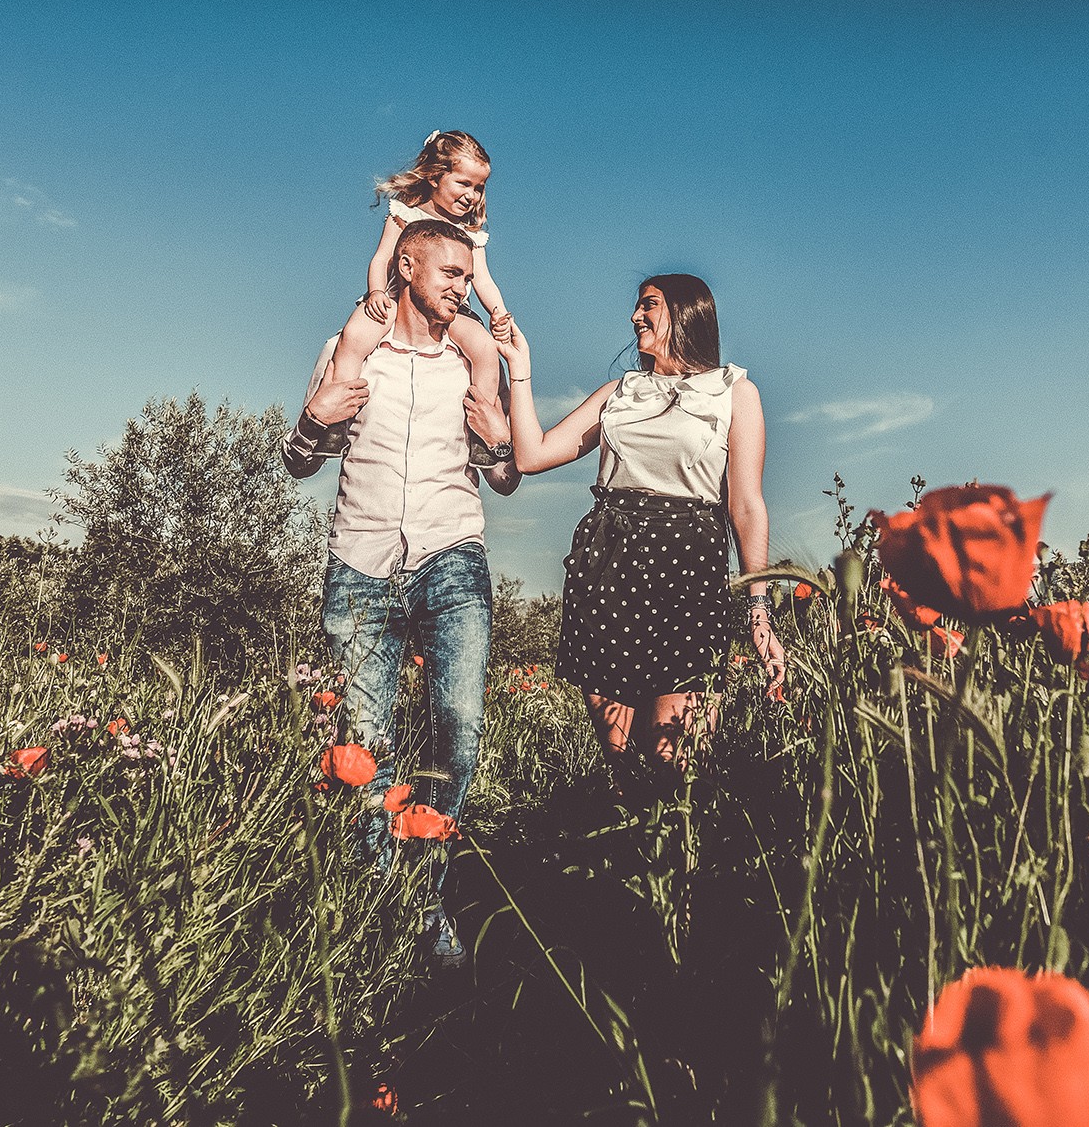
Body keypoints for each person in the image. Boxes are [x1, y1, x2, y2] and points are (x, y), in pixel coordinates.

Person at [280, 217, 519, 966]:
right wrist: (314, 420)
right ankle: (383, 908)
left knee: (460, 726)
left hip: (453, 554)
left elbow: (505, 477)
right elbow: (297, 462)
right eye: (451, 272)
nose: (463, 287)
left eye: (467, 275)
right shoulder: (349, 350)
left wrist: (501, 437)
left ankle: (426, 888)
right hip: (361, 560)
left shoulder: (471, 363)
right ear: (407, 266)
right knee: (363, 746)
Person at [496, 275, 785, 800]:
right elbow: (532, 455)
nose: (635, 317)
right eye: (636, 306)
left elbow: (746, 506)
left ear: (686, 311)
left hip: (688, 568)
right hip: (607, 564)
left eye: (648, 305)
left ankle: (685, 871)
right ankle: (619, 865)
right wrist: (520, 370)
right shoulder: (618, 392)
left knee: (675, 757)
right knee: (621, 760)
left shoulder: (734, 393)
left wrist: (758, 608)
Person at [309, 131, 510, 467]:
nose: (472, 195)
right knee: (353, 336)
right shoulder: (404, 212)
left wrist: (499, 314)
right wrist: (375, 292)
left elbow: (484, 280)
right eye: (463, 183)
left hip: (454, 310)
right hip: (393, 299)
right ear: (434, 176)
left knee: (485, 350)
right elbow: (383, 258)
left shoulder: (472, 232)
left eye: (478, 188)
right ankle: (338, 418)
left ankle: (481, 426)